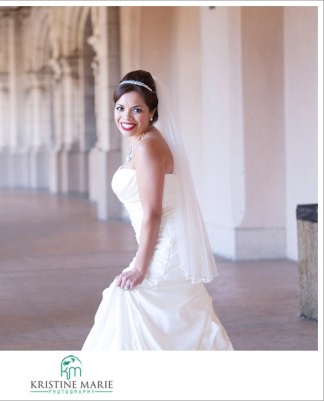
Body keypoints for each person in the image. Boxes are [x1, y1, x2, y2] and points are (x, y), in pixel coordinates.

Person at [82, 70, 233, 350]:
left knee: (129, 299)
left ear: (152, 112)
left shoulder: (147, 147)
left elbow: (152, 213)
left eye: (137, 109)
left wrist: (140, 267)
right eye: (120, 108)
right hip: (162, 242)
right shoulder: (143, 141)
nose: (126, 117)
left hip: (166, 248)